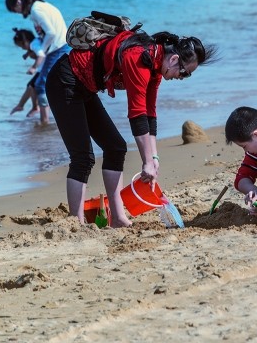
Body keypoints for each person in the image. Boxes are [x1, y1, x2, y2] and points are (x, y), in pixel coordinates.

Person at [45, 28, 218, 227]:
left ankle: (118, 218)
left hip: (86, 87)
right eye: (185, 73)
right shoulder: (138, 58)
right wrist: (145, 163)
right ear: (173, 59)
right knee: (83, 158)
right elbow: (136, 114)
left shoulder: (155, 66)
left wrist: (153, 158)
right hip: (64, 81)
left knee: (116, 147)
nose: (182, 77)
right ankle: (75, 223)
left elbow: (149, 114)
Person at [5, 0, 70, 125]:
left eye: (14, 9)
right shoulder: (40, 5)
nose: (17, 13)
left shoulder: (36, 10)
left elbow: (51, 33)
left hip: (58, 48)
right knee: (53, 84)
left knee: (40, 85)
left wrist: (42, 50)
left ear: (18, 2)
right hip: (61, 45)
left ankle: (45, 122)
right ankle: (61, 117)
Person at [10, 27, 43, 117]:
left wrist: (33, 67)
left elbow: (41, 55)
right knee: (30, 85)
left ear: (26, 41)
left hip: (45, 68)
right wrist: (27, 54)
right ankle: (21, 105)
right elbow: (34, 48)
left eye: (22, 46)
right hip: (45, 68)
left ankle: (35, 107)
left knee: (32, 86)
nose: (22, 49)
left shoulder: (34, 45)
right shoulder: (35, 42)